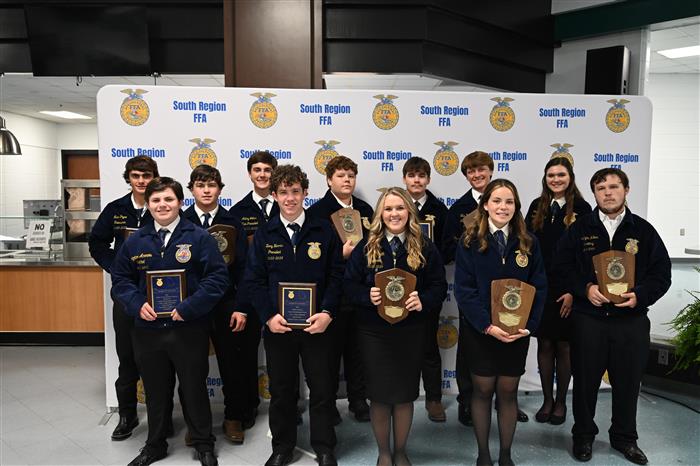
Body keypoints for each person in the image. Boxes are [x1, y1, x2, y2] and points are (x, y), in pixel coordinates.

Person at [556, 168, 671, 465]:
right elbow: (561, 267)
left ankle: (624, 438)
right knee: (585, 383)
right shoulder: (579, 229)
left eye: (614, 186)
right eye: (601, 188)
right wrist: (585, 289)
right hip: (588, 319)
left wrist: (640, 296)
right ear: (594, 193)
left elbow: (661, 274)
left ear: (626, 190)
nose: (608, 193)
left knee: (628, 383)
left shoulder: (643, 231)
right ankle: (583, 435)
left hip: (630, 321)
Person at [111, 177, 229, 466]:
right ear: (148, 204)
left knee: (194, 388)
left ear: (180, 202)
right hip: (148, 330)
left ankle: (203, 444)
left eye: (168, 199)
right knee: (155, 391)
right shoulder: (135, 240)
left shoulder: (199, 237)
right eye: (156, 200)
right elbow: (121, 280)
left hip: (188, 328)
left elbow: (217, 278)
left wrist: (189, 307)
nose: (162, 205)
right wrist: (137, 304)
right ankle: (154, 445)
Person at [243, 164, 343, 466]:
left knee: (322, 389)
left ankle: (324, 446)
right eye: (283, 192)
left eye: (295, 191)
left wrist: (327, 312)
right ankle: (282, 447)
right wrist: (268, 316)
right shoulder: (264, 234)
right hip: (279, 328)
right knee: (282, 390)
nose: (290, 198)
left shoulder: (324, 229)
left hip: (318, 326)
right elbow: (254, 280)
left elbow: (337, 276)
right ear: (274, 195)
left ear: (305, 193)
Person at [344, 187, 448, 466]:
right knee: (379, 396)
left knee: (404, 395)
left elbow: (439, 286)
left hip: (410, 331)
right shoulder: (366, 246)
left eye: (400, 208)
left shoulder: (425, 246)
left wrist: (422, 300)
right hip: (373, 333)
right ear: (380, 214)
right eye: (388, 209)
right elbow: (348, 285)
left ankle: (400, 451)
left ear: (409, 212)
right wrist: (365, 295)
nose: (394, 214)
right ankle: (384, 453)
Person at [454, 179, 546, 466]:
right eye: (496, 201)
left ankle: (505, 455)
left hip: (516, 333)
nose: (503, 207)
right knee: (482, 392)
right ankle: (483, 455)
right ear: (485, 205)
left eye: (509, 202)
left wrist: (529, 325)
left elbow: (540, 286)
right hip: (481, 332)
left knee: (508, 393)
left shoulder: (529, 242)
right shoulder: (469, 241)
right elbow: (464, 290)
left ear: (516, 206)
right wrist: (487, 325)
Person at [89, 155, 160, 440]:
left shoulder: (163, 206)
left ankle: (160, 417)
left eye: (146, 175)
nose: (141, 181)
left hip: (160, 295)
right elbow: (96, 243)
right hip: (126, 295)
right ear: (128, 178)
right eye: (136, 176)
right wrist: (115, 266)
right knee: (127, 358)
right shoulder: (116, 209)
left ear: (154, 177)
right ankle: (127, 415)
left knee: (158, 360)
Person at [183, 165, 253, 444]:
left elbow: (245, 268)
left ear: (220, 189)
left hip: (226, 303)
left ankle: (233, 417)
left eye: (211, 185)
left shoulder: (233, 222)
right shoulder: (181, 220)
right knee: (191, 367)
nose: (206, 190)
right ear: (191, 190)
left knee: (232, 364)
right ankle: (195, 423)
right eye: (200, 185)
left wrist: (241, 306)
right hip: (191, 305)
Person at [524, 157, 591, 426]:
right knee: (544, 343)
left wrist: (574, 291)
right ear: (545, 178)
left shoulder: (583, 210)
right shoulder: (536, 207)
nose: (556, 179)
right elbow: (526, 247)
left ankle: (561, 402)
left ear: (570, 177)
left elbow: (586, 256)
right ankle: (547, 400)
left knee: (564, 346)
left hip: (568, 290)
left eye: (561, 175)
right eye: (551, 175)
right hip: (540, 288)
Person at [307, 155, 373, 423]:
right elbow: (313, 255)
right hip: (331, 294)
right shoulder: (316, 213)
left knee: (358, 351)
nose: (347, 180)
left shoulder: (366, 210)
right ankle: (330, 404)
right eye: (341, 175)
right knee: (329, 354)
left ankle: (359, 400)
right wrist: (340, 255)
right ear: (328, 180)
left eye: (351, 176)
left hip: (362, 292)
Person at [401, 156, 449, 422]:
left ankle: (434, 399)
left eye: (421, 175)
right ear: (404, 179)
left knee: (429, 348)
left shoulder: (439, 210)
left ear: (428, 179)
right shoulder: (395, 204)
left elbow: (447, 247)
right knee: (398, 346)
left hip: (427, 287)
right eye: (412, 175)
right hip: (396, 288)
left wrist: (431, 257)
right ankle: (399, 395)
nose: (416, 180)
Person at [231, 150, 279, 243]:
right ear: (250, 173)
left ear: (274, 174)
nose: (262, 175)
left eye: (267, 170)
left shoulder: (287, 207)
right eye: (257, 170)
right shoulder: (236, 212)